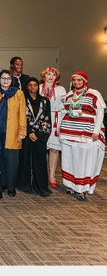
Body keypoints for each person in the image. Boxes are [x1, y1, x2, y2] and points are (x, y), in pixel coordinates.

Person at [59, 72, 105, 201]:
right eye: (74, 80)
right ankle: (71, 185)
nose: (77, 82)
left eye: (79, 80)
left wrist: (96, 131)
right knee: (69, 159)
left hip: (86, 133)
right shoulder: (69, 95)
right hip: (69, 132)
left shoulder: (94, 94)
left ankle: (82, 188)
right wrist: (60, 130)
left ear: (85, 81)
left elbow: (100, 113)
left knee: (83, 161)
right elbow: (64, 112)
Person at [0, 69, 27, 197]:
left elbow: (22, 114)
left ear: (12, 80)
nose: (5, 81)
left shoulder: (19, 94)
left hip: (13, 132)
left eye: (8, 78)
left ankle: (11, 186)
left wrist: (22, 131)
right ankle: (1, 184)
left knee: (12, 160)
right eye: (3, 78)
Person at [17, 78, 52, 197]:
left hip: (39, 136)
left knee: (40, 161)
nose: (33, 87)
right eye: (30, 85)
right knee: (25, 160)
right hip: (26, 135)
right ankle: (25, 184)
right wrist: (29, 132)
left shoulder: (45, 101)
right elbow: (20, 118)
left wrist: (38, 135)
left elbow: (47, 119)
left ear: (38, 87)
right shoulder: (22, 100)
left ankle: (40, 185)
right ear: (26, 87)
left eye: (35, 85)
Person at [39, 66, 67, 188]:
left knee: (54, 149)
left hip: (56, 119)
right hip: (41, 120)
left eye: (53, 75)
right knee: (41, 148)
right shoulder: (38, 88)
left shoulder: (61, 90)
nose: (51, 77)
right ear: (44, 75)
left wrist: (63, 124)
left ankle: (52, 175)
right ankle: (42, 174)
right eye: (48, 74)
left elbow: (65, 107)